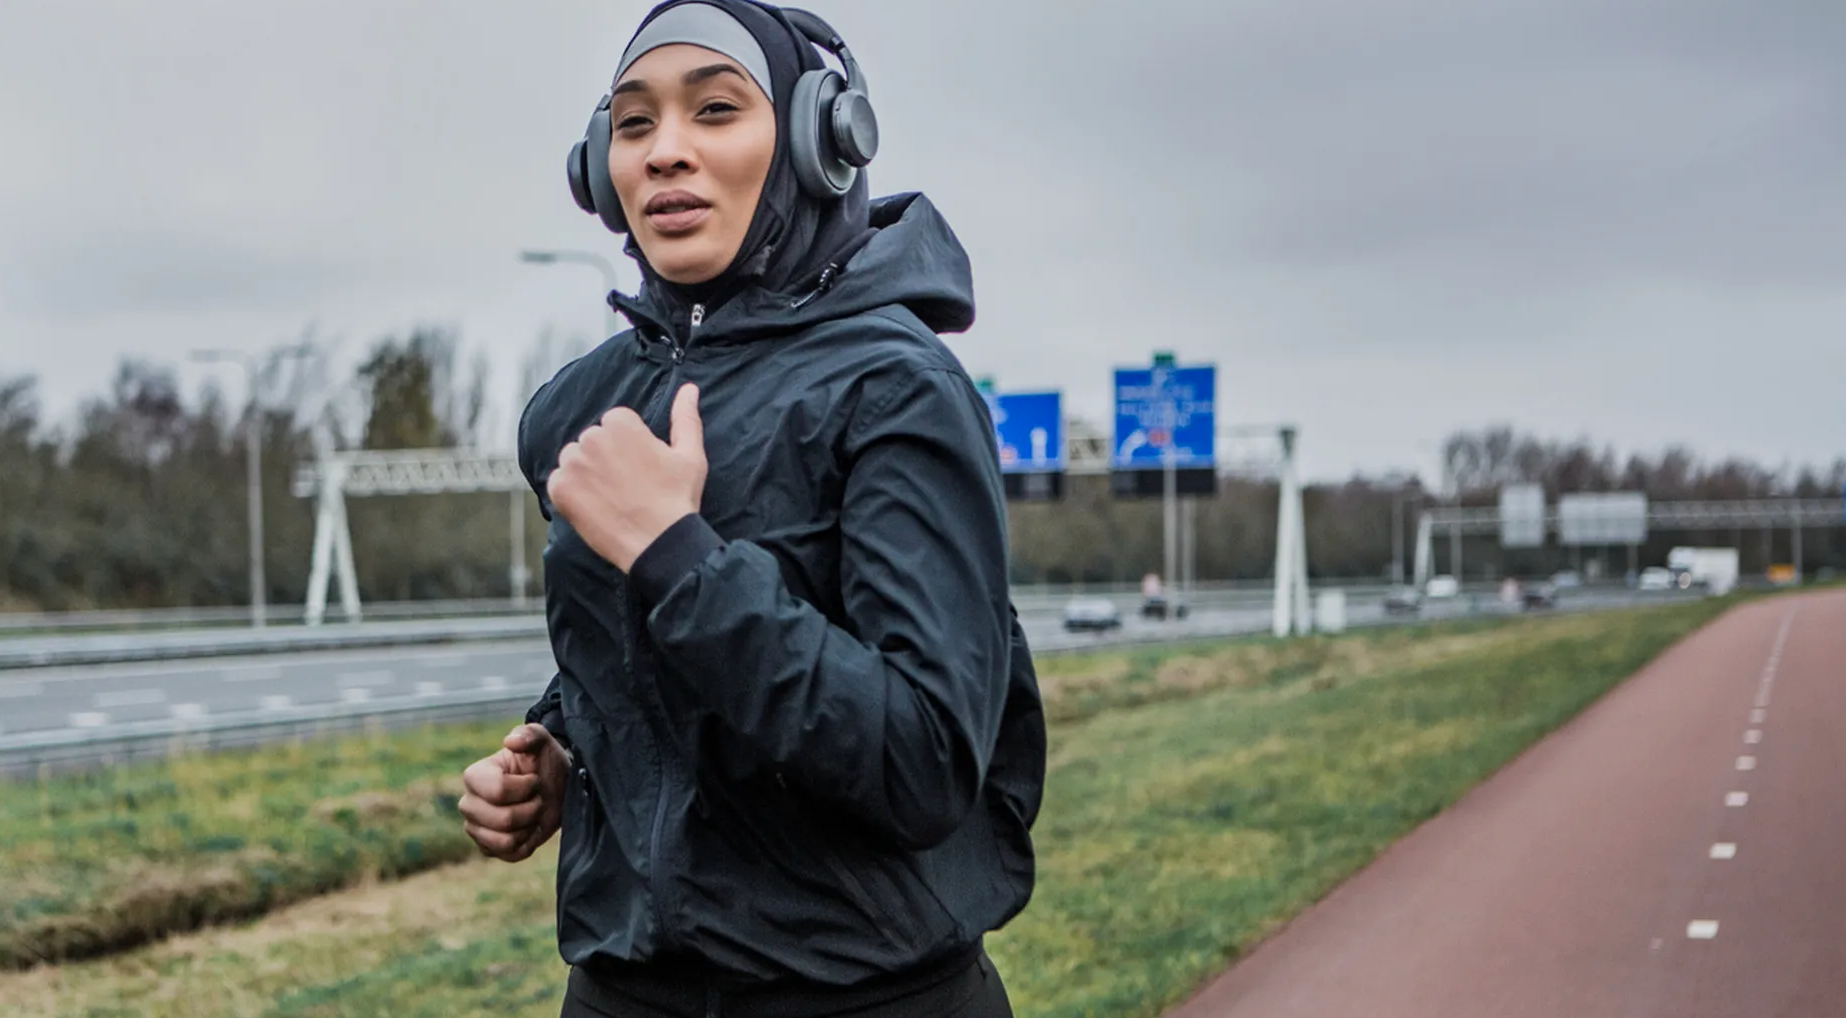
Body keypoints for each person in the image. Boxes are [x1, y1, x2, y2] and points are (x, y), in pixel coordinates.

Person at [456, 2, 1047, 1015]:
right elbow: (633, 657)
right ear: (598, 167)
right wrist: (562, 747)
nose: (664, 151)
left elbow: (924, 762)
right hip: (622, 993)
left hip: (864, 997)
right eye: (633, 124)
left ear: (823, 141)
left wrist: (676, 553)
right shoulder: (580, 407)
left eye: (716, 110)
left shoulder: (898, 388)